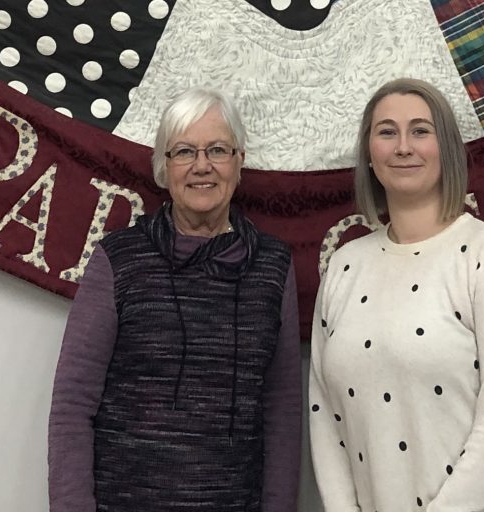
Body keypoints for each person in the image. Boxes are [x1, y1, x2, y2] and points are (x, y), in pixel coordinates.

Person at [48, 87, 302, 512]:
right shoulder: (119, 258)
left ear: (239, 161)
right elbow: (73, 403)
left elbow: (282, 410)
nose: (202, 166)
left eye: (217, 150)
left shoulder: (274, 265)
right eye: (184, 152)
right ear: (163, 169)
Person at [310, 79, 484, 512]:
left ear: (448, 148)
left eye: (421, 131)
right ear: (368, 152)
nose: (404, 147)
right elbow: (325, 419)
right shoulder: (343, 267)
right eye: (387, 132)